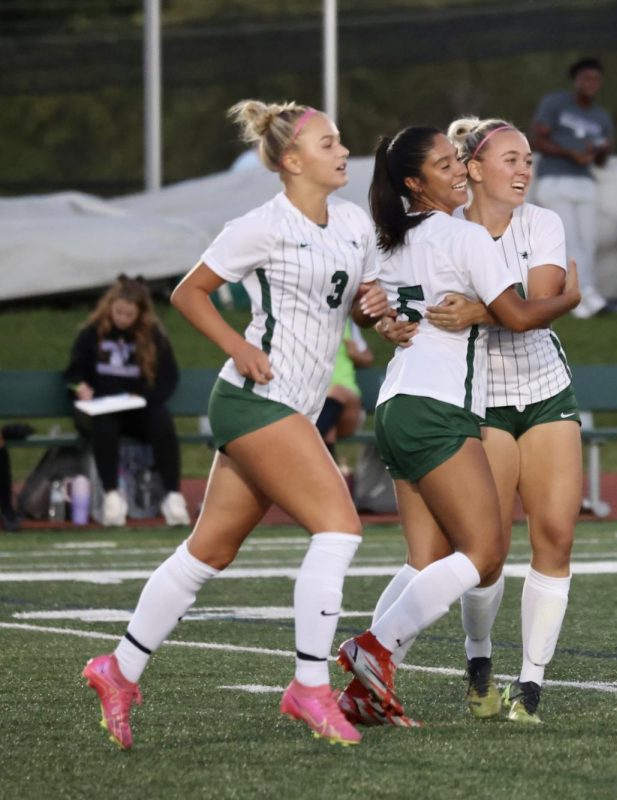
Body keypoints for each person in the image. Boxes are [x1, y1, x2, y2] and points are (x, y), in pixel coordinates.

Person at [82, 99, 391, 749]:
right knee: (339, 528)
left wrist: (376, 307)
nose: (342, 152)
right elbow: (188, 292)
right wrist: (237, 345)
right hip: (255, 400)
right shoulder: (262, 225)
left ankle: (118, 668)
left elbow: (356, 309)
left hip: (293, 405)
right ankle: (309, 686)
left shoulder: (355, 222)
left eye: (342, 141)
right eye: (329, 143)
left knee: (208, 552)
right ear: (290, 161)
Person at [334, 126, 580, 724]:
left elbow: (363, 299)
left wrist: (383, 320)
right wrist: (570, 298)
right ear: (419, 182)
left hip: (395, 402)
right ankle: (373, 646)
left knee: (426, 559)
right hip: (438, 407)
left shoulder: (390, 235)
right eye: (445, 164)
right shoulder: (462, 233)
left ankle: (363, 689)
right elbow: (521, 314)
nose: (455, 171)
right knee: (485, 552)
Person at [64, 276, 189, 528]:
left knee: (161, 418)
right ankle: (112, 497)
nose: (122, 318)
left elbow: (168, 378)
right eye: (118, 311)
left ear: (140, 314)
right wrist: (81, 388)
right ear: (109, 306)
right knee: (105, 424)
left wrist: (144, 398)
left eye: (128, 314)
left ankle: (173, 496)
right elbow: (72, 375)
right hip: (101, 409)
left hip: (137, 408)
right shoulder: (91, 334)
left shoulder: (153, 336)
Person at [531, 56, 613, 318]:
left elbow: (601, 160)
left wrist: (600, 151)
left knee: (588, 241)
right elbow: (536, 138)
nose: (591, 84)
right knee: (569, 240)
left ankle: (586, 292)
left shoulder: (601, 117)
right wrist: (569, 153)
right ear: (575, 80)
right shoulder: (556, 103)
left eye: (596, 80)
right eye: (586, 78)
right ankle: (579, 295)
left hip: (585, 181)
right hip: (555, 178)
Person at [315, 321, 373, 458]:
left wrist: (356, 354)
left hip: (347, 403)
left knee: (337, 391)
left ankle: (302, 449)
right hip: (315, 402)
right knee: (328, 432)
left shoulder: (346, 320)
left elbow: (368, 358)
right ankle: (326, 477)